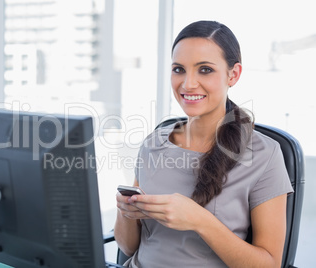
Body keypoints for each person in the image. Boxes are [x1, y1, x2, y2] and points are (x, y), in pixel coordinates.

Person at [114, 20, 293, 267]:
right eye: (179, 69)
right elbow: (128, 246)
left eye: (205, 69)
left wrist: (199, 220)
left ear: (233, 74)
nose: (188, 84)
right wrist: (125, 213)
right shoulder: (153, 144)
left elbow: (269, 264)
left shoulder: (265, 154)